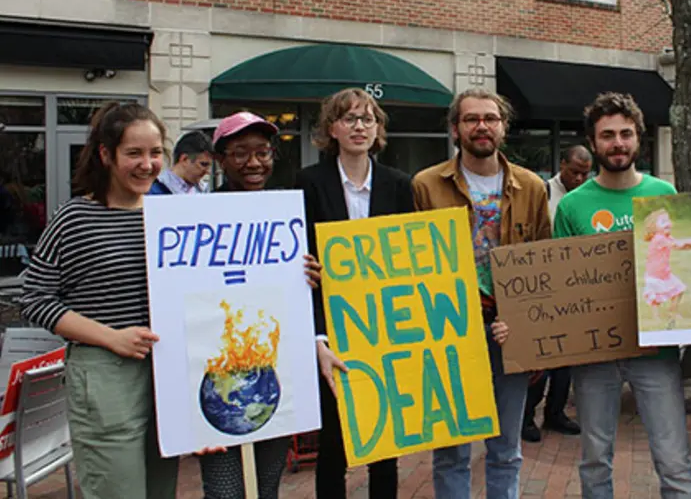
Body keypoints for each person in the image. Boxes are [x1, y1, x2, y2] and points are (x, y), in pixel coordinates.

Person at [18, 102, 180, 499]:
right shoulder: (75, 217)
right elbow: (35, 298)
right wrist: (111, 337)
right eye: (134, 153)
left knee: (162, 490)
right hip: (105, 375)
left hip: (170, 372)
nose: (147, 164)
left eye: (156, 152)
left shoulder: (172, 216)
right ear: (106, 154)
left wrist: (290, 269)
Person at [553, 92, 691, 499]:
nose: (617, 143)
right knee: (595, 459)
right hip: (595, 354)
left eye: (625, 134)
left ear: (639, 138)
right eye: (608, 135)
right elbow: (562, 283)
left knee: (674, 460)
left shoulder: (663, 194)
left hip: (655, 352)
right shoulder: (573, 206)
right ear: (593, 142)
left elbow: (684, 265)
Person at [412, 88, 551, 499]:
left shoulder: (531, 187)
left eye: (490, 118)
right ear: (456, 129)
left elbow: (544, 265)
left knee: (506, 450)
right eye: (471, 119)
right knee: (452, 452)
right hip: (451, 331)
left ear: (503, 127)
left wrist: (534, 334)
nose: (482, 126)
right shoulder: (425, 185)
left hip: (509, 331)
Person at [197, 111, 325, 499]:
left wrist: (312, 275)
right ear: (220, 160)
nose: (253, 163)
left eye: (262, 152)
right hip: (213, 374)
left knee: (266, 487)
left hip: (273, 373)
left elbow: (302, 294)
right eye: (239, 153)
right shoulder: (193, 218)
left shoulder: (288, 215)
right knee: (224, 492)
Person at [295, 88, 414, 499]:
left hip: (384, 333)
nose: (359, 127)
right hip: (331, 331)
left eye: (367, 119)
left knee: (387, 444)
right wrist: (317, 337)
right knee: (333, 445)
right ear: (332, 129)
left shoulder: (400, 186)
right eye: (349, 119)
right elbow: (298, 270)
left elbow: (412, 264)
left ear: (378, 129)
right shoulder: (308, 183)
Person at [522, 145, 591, 443]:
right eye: (574, 171)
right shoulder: (542, 192)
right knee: (540, 360)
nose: (579, 177)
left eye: (585, 173)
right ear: (561, 164)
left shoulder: (587, 198)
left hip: (574, 288)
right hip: (543, 287)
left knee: (566, 362)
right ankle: (526, 416)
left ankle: (556, 413)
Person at [148, 130, 213, 194]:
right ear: (184, 159)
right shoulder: (154, 189)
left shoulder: (203, 190)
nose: (208, 171)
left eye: (209, 165)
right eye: (203, 164)